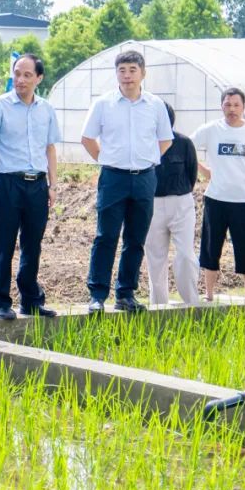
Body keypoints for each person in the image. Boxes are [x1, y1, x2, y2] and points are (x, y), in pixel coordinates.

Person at [81, 50, 173, 313]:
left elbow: (165, 140)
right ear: (116, 73)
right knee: (106, 236)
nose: (127, 75)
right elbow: (87, 138)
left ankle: (126, 293)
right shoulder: (103, 104)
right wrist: (107, 159)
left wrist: (147, 158)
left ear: (143, 73)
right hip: (113, 178)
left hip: (144, 178)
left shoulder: (155, 105)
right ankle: (97, 295)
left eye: (132, 69)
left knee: (135, 239)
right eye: (122, 70)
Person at [0, 54, 61, 320]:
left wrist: (53, 184)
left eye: (27, 75)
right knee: (3, 243)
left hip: (37, 184)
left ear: (39, 78)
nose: (21, 80)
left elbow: (50, 148)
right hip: (7, 182)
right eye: (16, 73)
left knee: (32, 244)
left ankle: (31, 299)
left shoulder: (46, 109)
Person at [191, 88, 245, 301]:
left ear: (243, 107)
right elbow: (187, 147)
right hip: (215, 198)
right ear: (221, 106)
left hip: (243, 200)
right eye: (228, 104)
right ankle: (208, 294)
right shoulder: (211, 129)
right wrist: (203, 169)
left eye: (236, 105)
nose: (232, 109)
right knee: (210, 247)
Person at [145, 102, 200, 305]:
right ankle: (159, 306)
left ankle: (191, 303)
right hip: (152, 204)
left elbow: (191, 173)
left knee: (186, 254)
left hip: (181, 203)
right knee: (155, 258)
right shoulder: (145, 142)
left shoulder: (184, 143)